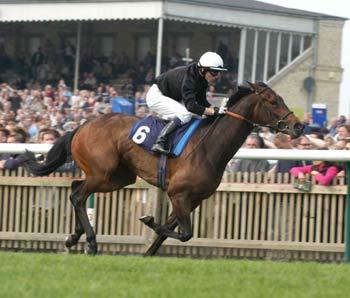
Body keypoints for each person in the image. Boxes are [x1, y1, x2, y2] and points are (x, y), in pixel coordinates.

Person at [146, 51, 227, 154]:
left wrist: (216, 109)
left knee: (198, 116)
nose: (217, 76)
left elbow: (201, 101)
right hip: (157, 96)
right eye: (214, 72)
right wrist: (212, 111)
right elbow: (191, 106)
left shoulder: (201, 78)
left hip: (169, 96)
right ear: (203, 70)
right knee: (185, 114)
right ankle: (159, 142)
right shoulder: (190, 78)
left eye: (218, 72)